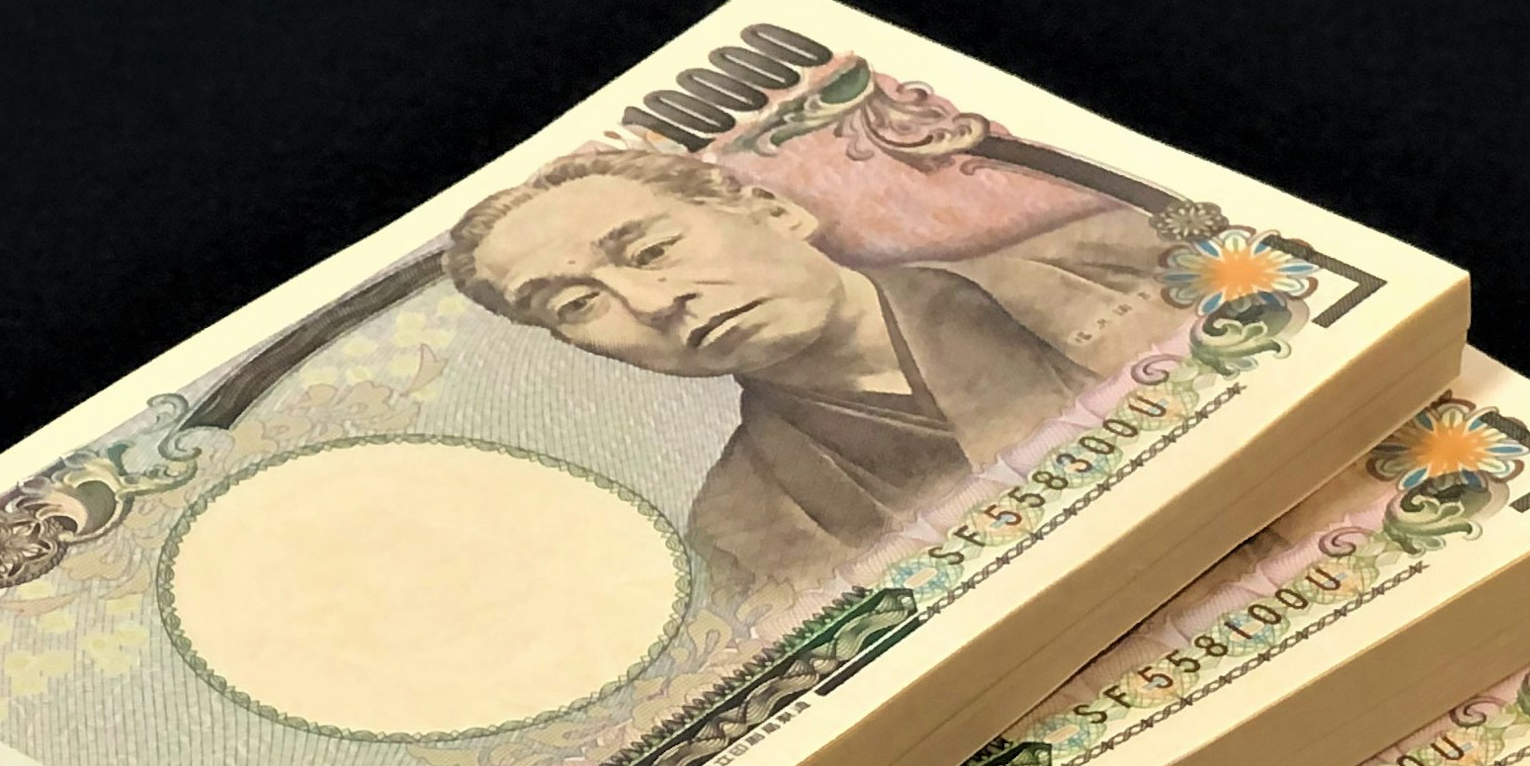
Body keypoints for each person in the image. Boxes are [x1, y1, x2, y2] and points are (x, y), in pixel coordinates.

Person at [445, 147, 1179, 606]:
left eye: (651, 249)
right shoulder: (744, 531)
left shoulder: (1132, 259)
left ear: (772, 209)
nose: (652, 302)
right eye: (577, 305)